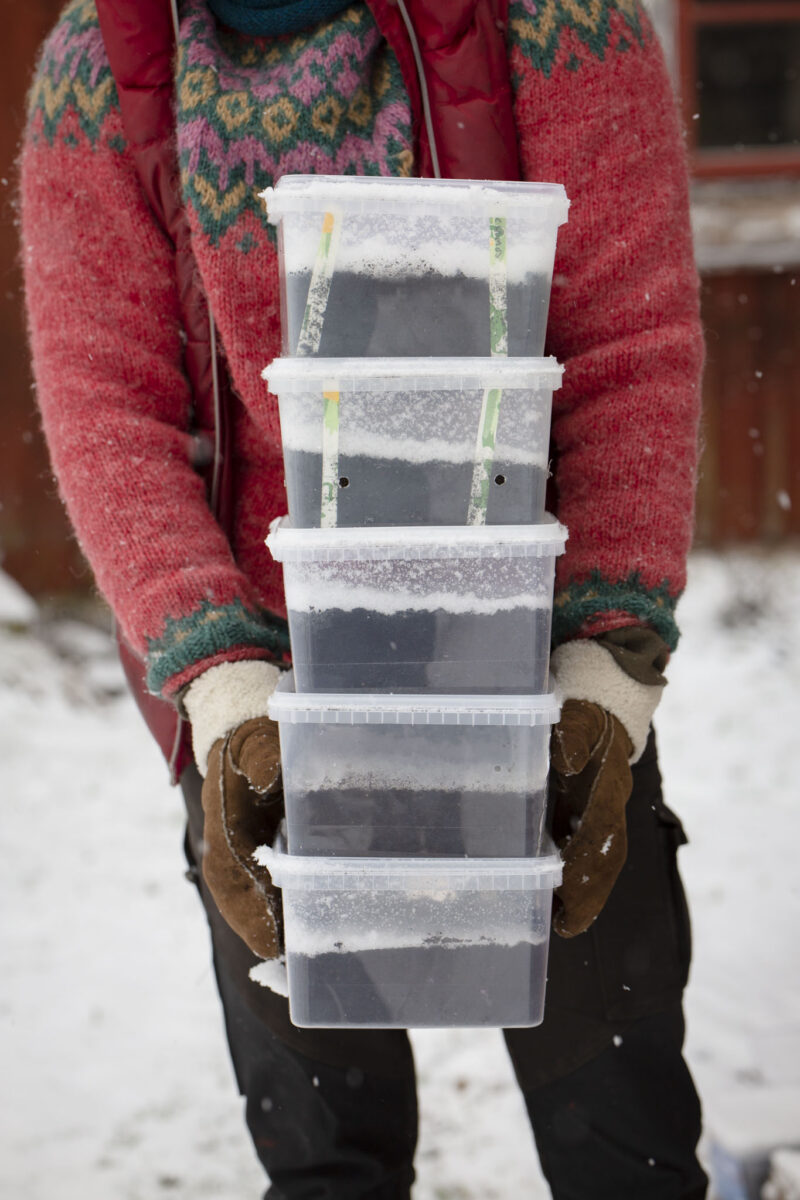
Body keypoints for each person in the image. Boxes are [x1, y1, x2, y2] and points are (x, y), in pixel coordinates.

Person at [21, 0, 708, 1195]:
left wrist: (607, 654)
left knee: (623, 1149)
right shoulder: (105, 61)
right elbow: (110, 401)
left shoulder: (556, 23)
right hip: (260, 693)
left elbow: (624, 345)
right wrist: (220, 684)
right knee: (325, 1158)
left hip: (526, 671)